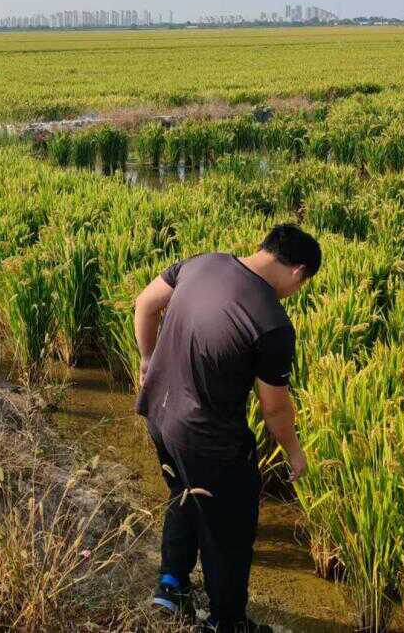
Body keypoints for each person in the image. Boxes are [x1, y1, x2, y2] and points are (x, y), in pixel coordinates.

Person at [133, 224, 321, 633]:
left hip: (158, 415)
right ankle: (226, 621)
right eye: (303, 284)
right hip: (207, 435)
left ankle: (171, 587)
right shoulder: (272, 322)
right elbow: (275, 410)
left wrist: (148, 362)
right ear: (298, 271)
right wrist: (295, 452)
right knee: (230, 525)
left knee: (183, 491)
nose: (297, 291)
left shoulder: (202, 263)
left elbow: (145, 304)